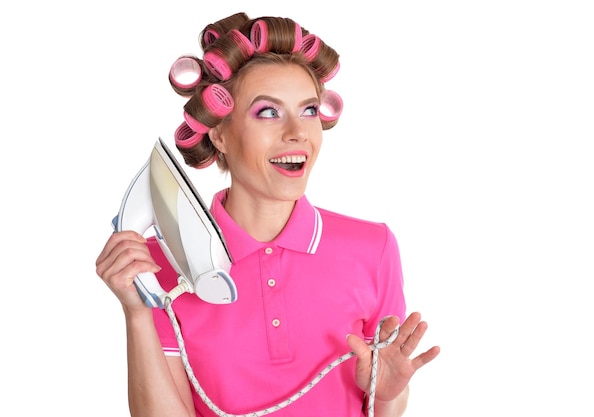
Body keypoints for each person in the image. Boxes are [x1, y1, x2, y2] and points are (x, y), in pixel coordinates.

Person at [95, 11, 440, 417]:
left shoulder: (372, 248)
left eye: (308, 110)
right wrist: (137, 312)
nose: (297, 132)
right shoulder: (161, 265)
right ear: (219, 133)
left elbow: (384, 404)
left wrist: (386, 396)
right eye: (268, 113)